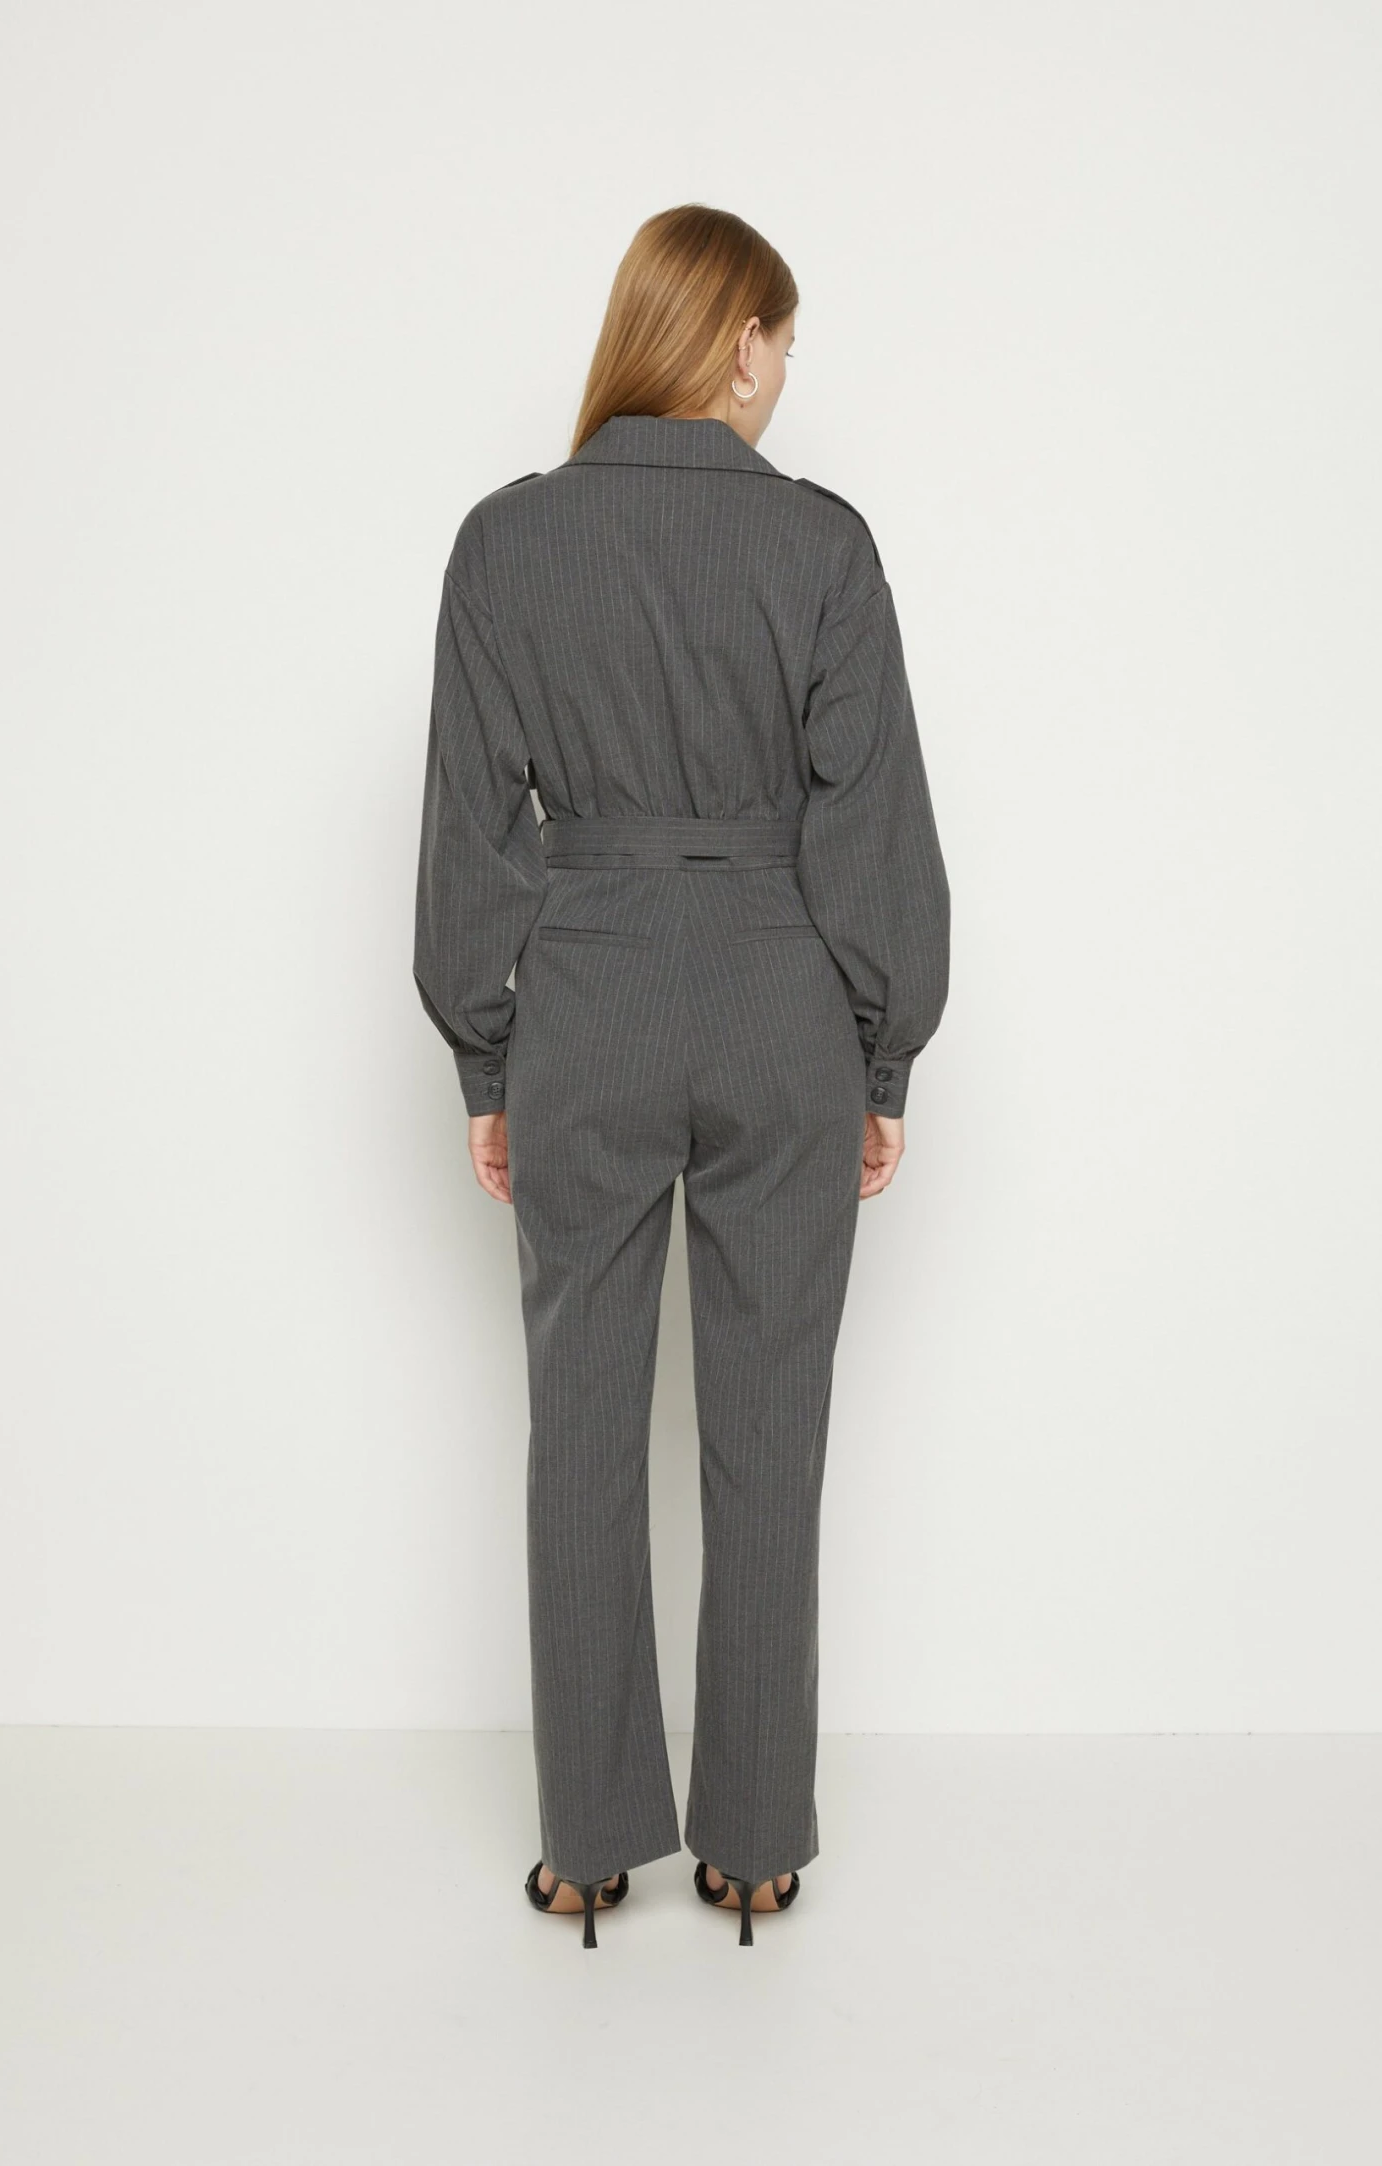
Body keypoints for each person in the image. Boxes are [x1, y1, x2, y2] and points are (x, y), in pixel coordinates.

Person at [412, 203, 950, 1950]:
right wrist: (882, 1052)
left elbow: (470, 830)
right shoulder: (821, 547)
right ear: (735, 343)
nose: (786, 369)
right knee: (769, 1430)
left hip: (585, 1003)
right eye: (781, 338)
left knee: (579, 1422)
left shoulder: (506, 542)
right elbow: (873, 826)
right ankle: (757, 1842)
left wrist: (488, 1050)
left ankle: (585, 1845)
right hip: (783, 1005)